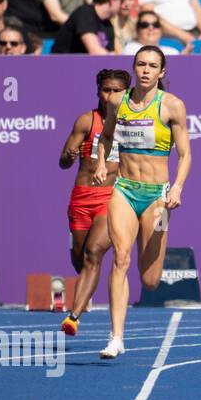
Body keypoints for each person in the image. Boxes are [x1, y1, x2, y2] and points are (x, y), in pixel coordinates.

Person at [92, 45, 192, 359]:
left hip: (157, 196)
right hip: (123, 189)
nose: (146, 70)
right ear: (134, 68)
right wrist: (100, 163)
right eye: (141, 64)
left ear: (162, 73)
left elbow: (185, 154)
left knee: (150, 280)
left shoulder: (172, 106)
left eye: (152, 66)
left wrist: (176, 188)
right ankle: (116, 337)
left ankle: (156, 245)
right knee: (120, 258)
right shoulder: (117, 101)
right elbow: (105, 137)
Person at [57, 68, 129, 336]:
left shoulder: (131, 123)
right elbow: (63, 163)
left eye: (116, 90)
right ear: (98, 91)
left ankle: (73, 317)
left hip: (110, 198)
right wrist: (69, 156)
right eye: (106, 89)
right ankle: (84, 293)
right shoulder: (87, 120)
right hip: (81, 197)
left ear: (126, 93)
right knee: (79, 259)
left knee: (93, 253)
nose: (110, 95)